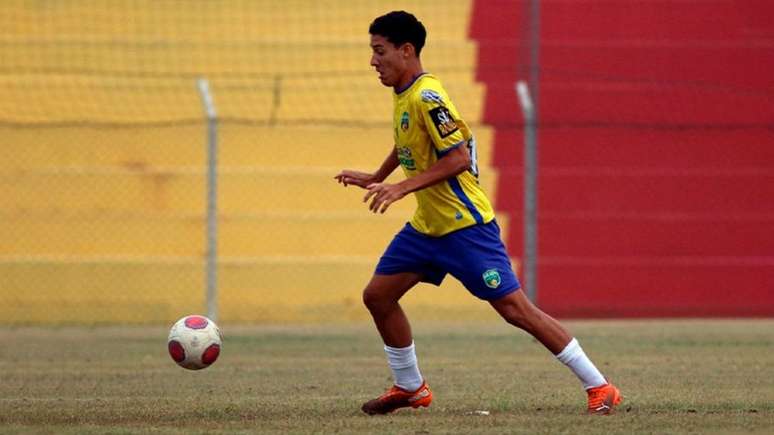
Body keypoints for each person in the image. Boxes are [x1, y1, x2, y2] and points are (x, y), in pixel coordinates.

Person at [334, 10, 622, 416]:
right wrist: (376, 176)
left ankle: (600, 386)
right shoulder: (404, 94)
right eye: (372, 52)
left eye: (379, 51)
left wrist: (399, 187)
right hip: (427, 229)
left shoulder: (428, 97)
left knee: (515, 310)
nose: (372, 61)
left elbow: (456, 159)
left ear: (406, 50)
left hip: (466, 228)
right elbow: (408, 143)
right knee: (378, 296)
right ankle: (411, 387)